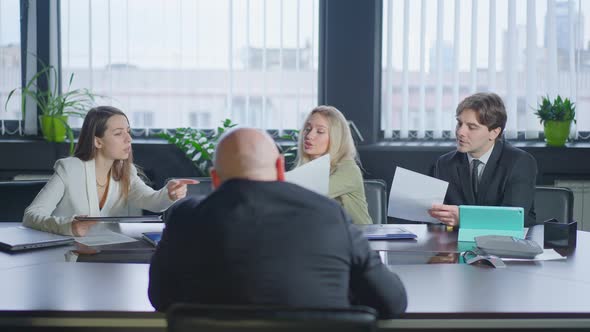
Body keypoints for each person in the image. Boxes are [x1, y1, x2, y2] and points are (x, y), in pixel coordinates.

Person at [148, 128, 407, 318]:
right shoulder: (329, 214)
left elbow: (161, 298)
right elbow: (391, 301)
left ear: (215, 179)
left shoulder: (184, 218)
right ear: (280, 168)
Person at [23, 106, 197, 236]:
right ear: (98, 142)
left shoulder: (126, 171)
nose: (129, 139)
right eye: (118, 133)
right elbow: (31, 215)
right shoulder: (69, 169)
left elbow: (150, 201)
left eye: (128, 132)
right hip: (64, 256)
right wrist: (68, 226)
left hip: (103, 254)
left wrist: (169, 194)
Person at [429, 92, 537, 227]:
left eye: (471, 127)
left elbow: (512, 218)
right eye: (459, 123)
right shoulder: (445, 163)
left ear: (494, 132)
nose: (460, 132)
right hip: (457, 243)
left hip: (509, 242)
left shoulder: (519, 162)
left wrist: (464, 218)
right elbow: (437, 218)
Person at [295, 105, 372, 225]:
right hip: (328, 236)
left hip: (357, 240)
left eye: (320, 131)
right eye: (307, 128)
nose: (309, 136)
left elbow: (307, 197)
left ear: (336, 138)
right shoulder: (308, 168)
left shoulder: (349, 169)